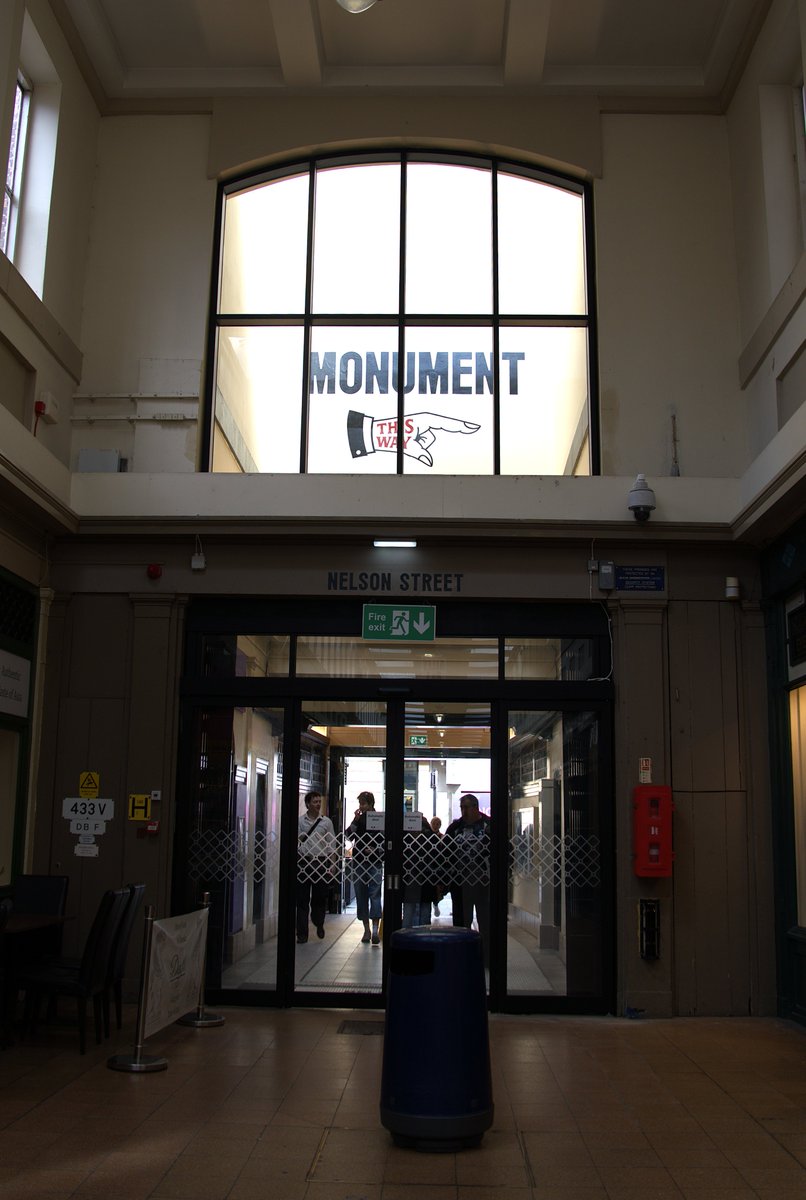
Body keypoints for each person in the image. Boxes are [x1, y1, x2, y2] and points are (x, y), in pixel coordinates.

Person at [444, 794, 491, 965]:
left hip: (483, 881)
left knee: (485, 920)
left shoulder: (489, 826)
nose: (464, 811)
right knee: (462, 921)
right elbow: (444, 853)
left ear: (476, 807)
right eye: (461, 807)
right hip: (460, 881)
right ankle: (462, 957)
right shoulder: (456, 827)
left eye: (467, 807)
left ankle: (486, 957)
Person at [296, 791, 336, 944]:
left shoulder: (326, 822)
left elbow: (331, 845)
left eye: (319, 801)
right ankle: (302, 934)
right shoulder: (300, 822)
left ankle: (319, 923)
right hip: (304, 863)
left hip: (320, 863)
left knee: (319, 898)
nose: (318, 804)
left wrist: (332, 865)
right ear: (307, 804)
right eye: (315, 802)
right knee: (302, 899)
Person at [346, 790, 383, 945]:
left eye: (364, 803)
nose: (362, 806)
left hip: (374, 861)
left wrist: (375, 849)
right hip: (360, 860)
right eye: (360, 803)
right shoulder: (359, 820)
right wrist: (355, 820)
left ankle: (374, 929)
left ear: (371, 803)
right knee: (361, 894)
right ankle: (366, 929)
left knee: (374, 894)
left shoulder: (379, 818)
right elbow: (348, 836)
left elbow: (384, 838)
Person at [402, 812, 438, 928]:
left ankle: (406, 937)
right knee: (423, 911)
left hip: (412, 876)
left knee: (410, 909)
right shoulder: (429, 835)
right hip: (424, 875)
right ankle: (423, 938)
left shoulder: (405, 836)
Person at [429, 816, 444, 916]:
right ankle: (435, 903)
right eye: (433, 823)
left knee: (437, 887)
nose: (435, 825)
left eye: (437, 824)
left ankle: (436, 903)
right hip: (429, 865)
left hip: (438, 866)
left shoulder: (442, 837)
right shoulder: (426, 836)